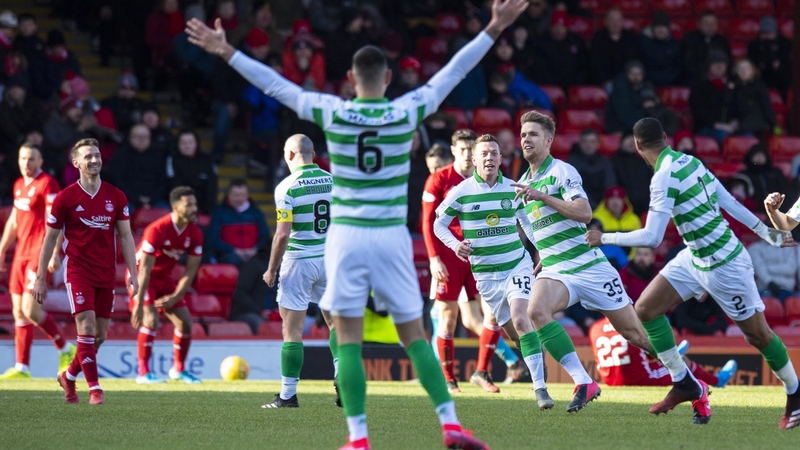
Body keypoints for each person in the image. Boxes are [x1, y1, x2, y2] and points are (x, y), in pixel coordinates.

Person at [186, 1, 530, 447]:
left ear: (351, 81)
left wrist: (226, 51)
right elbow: (453, 73)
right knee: (415, 336)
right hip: (390, 236)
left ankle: (358, 436)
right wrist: (494, 27)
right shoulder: (407, 109)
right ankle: (449, 424)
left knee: (345, 337)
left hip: (345, 239)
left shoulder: (334, 111)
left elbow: (276, 86)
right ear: (388, 79)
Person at [586, 117, 799, 429]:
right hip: (695, 258)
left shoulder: (662, 177)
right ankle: (684, 381)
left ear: (638, 147)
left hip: (726, 265)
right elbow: (728, 200)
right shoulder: (691, 161)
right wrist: (766, 232)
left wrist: (603, 237)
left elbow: (652, 238)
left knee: (759, 334)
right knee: (645, 309)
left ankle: (795, 392)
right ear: (666, 139)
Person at [513, 110, 656, 414]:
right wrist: (539, 260)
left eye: (533, 134)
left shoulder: (563, 171)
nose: (526, 139)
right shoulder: (522, 185)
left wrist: (544, 197)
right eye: (523, 134)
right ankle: (584, 382)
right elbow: (531, 231)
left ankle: (689, 376)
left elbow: (585, 214)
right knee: (536, 311)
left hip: (589, 266)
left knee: (636, 336)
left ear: (549, 140)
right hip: (556, 268)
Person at [433, 134, 552, 407]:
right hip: (486, 275)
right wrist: (455, 245)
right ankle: (534, 354)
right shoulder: (460, 192)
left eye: (494, 153)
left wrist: (541, 250)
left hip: (516, 265)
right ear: (474, 159)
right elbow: (438, 224)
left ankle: (540, 389)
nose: (489, 158)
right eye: (484, 153)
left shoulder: (513, 188)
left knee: (522, 318)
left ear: (501, 159)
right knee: (513, 332)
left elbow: (527, 223)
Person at [33, 138, 138, 405]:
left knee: (99, 337)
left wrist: (134, 274)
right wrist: (41, 278)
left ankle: (68, 376)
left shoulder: (116, 196)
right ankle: (95, 390)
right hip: (78, 271)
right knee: (87, 327)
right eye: (88, 157)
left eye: (97, 155)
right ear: (76, 162)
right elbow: (49, 238)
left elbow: (125, 237)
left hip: (107, 273)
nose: (94, 160)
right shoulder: (65, 198)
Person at [421, 129, 522, 394]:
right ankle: (448, 379)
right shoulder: (439, 180)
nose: (467, 155)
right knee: (448, 317)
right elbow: (429, 222)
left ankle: (482, 371)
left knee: (491, 316)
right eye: (463, 150)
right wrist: (434, 259)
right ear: (454, 151)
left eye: (470, 150)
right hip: (449, 257)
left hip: (482, 255)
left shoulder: (495, 183)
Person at [261, 134, 338, 408]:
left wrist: (271, 269)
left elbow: (282, 235)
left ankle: (287, 395)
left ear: (290, 154)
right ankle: (342, 373)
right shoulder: (333, 181)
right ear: (313, 154)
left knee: (292, 331)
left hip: (299, 260)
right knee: (335, 324)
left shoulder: (286, 187)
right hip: (329, 258)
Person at [0, 144, 75, 379]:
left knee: (31, 310)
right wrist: (2, 248)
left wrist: (53, 253)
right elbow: (14, 218)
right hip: (21, 254)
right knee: (18, 312)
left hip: (38, 254)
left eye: (32, 158)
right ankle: (22, 367)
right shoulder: (19, 184)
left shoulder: (48, 184)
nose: (26, 163)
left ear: (41, 160)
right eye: (23, 158)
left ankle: (65, 348)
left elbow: (56, 220)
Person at [129, 186, 203, 384]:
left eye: (195, 204)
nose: (194, 208)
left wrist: (176, 296)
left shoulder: (195, 233)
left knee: (186, 323)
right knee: (151, 320)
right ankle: (143, 373)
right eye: (189, 205)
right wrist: (139, 302)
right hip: (141, 277)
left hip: (163, 279)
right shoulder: (157, 230)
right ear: (176, 208)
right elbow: (144, 269)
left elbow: (190, 271)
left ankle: (178, 370)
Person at [590, 317, 737, 388]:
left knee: (648, 357)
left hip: (610, 382)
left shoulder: (594, 328)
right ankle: (718, 381)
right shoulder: (631, 323)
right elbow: (646, 349)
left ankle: (671, 356)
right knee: (683, 361)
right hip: (641, 380)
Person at [208, 179, 270, 266]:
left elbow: (265, 236)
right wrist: (233, 250)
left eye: (242, 195)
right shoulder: (219, 212)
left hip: (253, 253)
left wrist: (255, 250)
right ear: (229, 195)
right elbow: (213, 239)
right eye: (236, 195)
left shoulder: (256, 212)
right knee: (234, 260)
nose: (239, 198)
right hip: (229, 254)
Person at [108, 124, 168, 209]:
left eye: (145, 137)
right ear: (130, 138)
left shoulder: (158, 156)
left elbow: (163, 182)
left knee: (168, 214)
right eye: (138, 136)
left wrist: (151, 200)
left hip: (155, 200)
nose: (142, 140)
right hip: (128, 199)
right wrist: (136, 199)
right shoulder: (120, 156)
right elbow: (118, 181)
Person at [531, 10, 589, 91]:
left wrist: (577, 84)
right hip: (549, 87)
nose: (558, 31)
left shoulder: (576, 41)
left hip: (573, 87)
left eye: (561, 27)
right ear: (551, 28)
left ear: (566, 27)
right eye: (556, 27)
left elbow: (583, 66)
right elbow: (539, 68)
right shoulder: (542, 42)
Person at [689, 51, 737, 144]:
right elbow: (698, 111)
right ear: (709, 65)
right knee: (723, 136)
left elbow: (738, 107)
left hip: (731, 128)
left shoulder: (733, 85)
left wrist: (735, 122)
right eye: (715, 63)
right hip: (706, 128)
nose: (719, 66)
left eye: (722, 63)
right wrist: (717, 125)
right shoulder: (700, 85)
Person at [166, 129, 218, 215]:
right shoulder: (172, 160)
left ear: (196, 143)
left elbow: (212, 187)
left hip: (203, 206)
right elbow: (175, 186)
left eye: (190, 142)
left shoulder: (207, 160)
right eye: (183, 143)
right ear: (178, 144)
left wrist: (207, 209)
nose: (187, 146)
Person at [567, 129, 617, 209]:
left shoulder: (605, 162)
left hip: (604, 208)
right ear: (580, 143)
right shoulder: (571, 163)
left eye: (592, 141)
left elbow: (610, 186)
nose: (588, 145)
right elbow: (572, 189)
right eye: (585, 141)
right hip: (580, 206)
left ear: (598, 143)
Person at [590, 8, 640, 88]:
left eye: (618, 20)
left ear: (622, 22)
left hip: (628, 80)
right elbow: (595, 65)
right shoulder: (598, 38)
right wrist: (604, 81)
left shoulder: (630, 37)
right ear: (606, 22)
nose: (615, 24)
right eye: (612, 20)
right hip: (606, 82)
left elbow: (635, 61)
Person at [681, 11, 731, 84]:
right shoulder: (689, 39)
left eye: (713, 24)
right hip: (695, 80)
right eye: (706, 24)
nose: (710, 27)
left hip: (719, 79)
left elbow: (728, 61)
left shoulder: (722, 41)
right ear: (699, 24)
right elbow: (687, 62)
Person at [747, 16, 792, 96]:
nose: (767, 36)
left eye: (770, 33)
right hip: (760, 80)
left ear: (776, 32)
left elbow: (788, 70)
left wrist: (777, 66)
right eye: (764, 33)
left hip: (781, 83)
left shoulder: (785, 44)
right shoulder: (753, 45)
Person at [748, 235, 800, 302]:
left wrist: (766, 267)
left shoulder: (788, 247)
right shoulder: (754, 248)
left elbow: (790, 269)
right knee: (770, 303)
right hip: (765, 289)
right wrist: (770, 283)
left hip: (787, 290)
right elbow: (759, 270)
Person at [731, 59, 775, 136]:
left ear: (753, 70)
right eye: (740, 69)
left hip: (756, 126)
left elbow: (766, 106)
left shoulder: (759, 86)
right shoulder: (735, 88)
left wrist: (772, 124)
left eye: (747, 68)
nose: (743, 71)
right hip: (741, 126)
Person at [738, 144, 788, 213]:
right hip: (755, 210)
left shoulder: (775, 172)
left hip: (778, 206)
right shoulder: (744, 175)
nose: (759, 158)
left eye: (762, 155)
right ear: (751, 157)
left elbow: (785, 189)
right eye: (756, 155)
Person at [611, 133, 652, 215]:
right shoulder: (613, 162)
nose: (631, 142)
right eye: (628, 139)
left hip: (645, 207)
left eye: (634, 140)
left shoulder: (644, 163)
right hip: (623, 207)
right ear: (621, 143)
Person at [639, 10, 682, 87]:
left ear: (668, 28)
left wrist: (669, 79)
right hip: (648, 84)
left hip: (671, 84)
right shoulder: (643, 43)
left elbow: (678, 68)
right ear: (653, 28)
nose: (661, 30)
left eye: (664, 26)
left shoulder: (675, 45)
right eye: (658, 26)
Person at [605, 61, 650, 134]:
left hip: (633, 127)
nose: (636, 76)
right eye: (633, 73)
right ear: (627, 74)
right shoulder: (620, 89)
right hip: (619, 129)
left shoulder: (644, 89)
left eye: (639, 74)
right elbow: (624, 115)